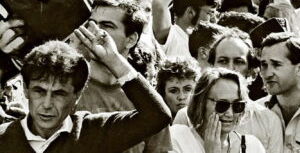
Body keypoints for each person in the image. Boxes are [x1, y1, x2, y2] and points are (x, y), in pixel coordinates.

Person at [0, 37, 171, 153]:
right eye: (39, 91)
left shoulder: (92, 132)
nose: (47, 104)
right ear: (25, 90)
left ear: (77, 95)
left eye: (59, 93)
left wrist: (113, 60)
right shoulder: (4, 138)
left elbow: (157, 117)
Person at [73, 0, 172, 153]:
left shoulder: (145, 99)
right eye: (91, 24)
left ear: (131, 39)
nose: (95, 32)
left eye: (107, 26)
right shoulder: (66, 88)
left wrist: (113, 60)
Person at [170, 68, 265, 153]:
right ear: (201, 103)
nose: (230, 114)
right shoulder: (178, 139)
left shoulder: (252, 146)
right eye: (222, 105)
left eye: (237, 105)